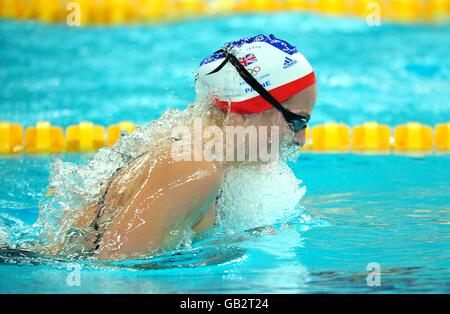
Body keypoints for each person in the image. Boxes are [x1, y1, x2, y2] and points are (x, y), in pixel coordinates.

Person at [43, 34, 317, 260]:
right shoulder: (192, 168)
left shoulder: (201, 154)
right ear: (244, 111)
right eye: (296, 121)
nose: (300, 139)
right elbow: (112, 277)